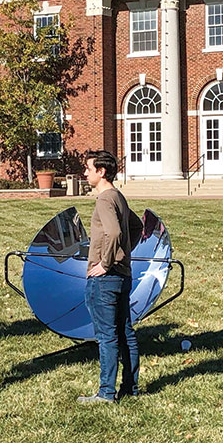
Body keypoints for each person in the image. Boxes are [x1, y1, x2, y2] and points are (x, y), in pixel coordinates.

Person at [78, 150, 143, 404]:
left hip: (105, 279)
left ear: (101, 172)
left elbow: (115, 232)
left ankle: (106, 393)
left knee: (106, 336)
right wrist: (123, 253)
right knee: (125, 332)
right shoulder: (119, 197)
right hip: (123, 275)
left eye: (88, 169)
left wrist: (105, 262)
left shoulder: (105, 199)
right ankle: (130, 387)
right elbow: (135, 227)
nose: (85, 173)